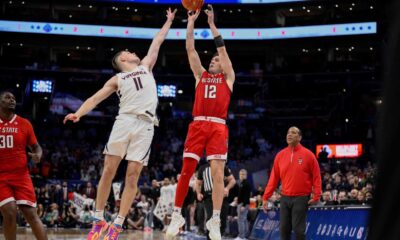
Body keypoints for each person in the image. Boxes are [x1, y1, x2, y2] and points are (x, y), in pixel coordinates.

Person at [63, 8, 177, 240]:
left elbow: (157, 41)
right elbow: (95, 98)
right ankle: (98, 219)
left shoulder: (146, 66)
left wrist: (169, 21)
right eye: (128, 51)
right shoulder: (117, 78)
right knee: (108, 170)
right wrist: (78, 113)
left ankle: (118, 223)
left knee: (133, 175)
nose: (134, 52)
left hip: (145, 125)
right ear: (123, 59)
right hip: (124, 121)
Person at [166, 5, 235, 240]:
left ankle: (214, 219)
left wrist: (213, 25)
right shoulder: (201, 76)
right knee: (186, 171)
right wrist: (191, 22)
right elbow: (190, 48)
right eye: (213, 59)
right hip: (198, 125)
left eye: (218, 59)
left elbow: (223, 51)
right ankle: (177, 214)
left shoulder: (229, 78)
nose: (215, 60)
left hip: (217, 126)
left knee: (217, 175)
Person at [0, 91, 48, 240]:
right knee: (9, 212)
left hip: (21, 176)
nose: (12, 100)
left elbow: (36, 147)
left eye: (14, 97)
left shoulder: (24, 123)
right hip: (1, 177)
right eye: (7, 97)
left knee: (31, 214)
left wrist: (38, 156)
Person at [262, 126, 322, 240]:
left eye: (293, 133)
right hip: (284, 197)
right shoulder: (280, 155)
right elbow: (273, 178)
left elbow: (317, 176)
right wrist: (266, 197)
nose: (289, 134)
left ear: (299, 137)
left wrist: (316, 195)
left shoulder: (308, 155)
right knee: (284, 230)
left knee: (298, 230)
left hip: (301, 197)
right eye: (288, 132)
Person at [195, 162, 236, 238]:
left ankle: (219, 236)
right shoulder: (202, 168)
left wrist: (227, 188)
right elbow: (197, 183)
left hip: (222, 197)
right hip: (208, 197)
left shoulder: (222, 166)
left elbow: (232, 180)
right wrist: (198, 193)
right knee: (211, 219)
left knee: (223, 220)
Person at [236, 169, 252, 240]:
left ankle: (241, 236)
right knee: (244, 220)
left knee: (241, 220)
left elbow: (246, 196)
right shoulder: (241, 183)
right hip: (242, 203)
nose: (241, 176)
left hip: (243, 204)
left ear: (246, 175)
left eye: (243, 174)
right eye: (240, 174)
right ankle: (245, 236)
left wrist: (243, 205)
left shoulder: (246, 184)